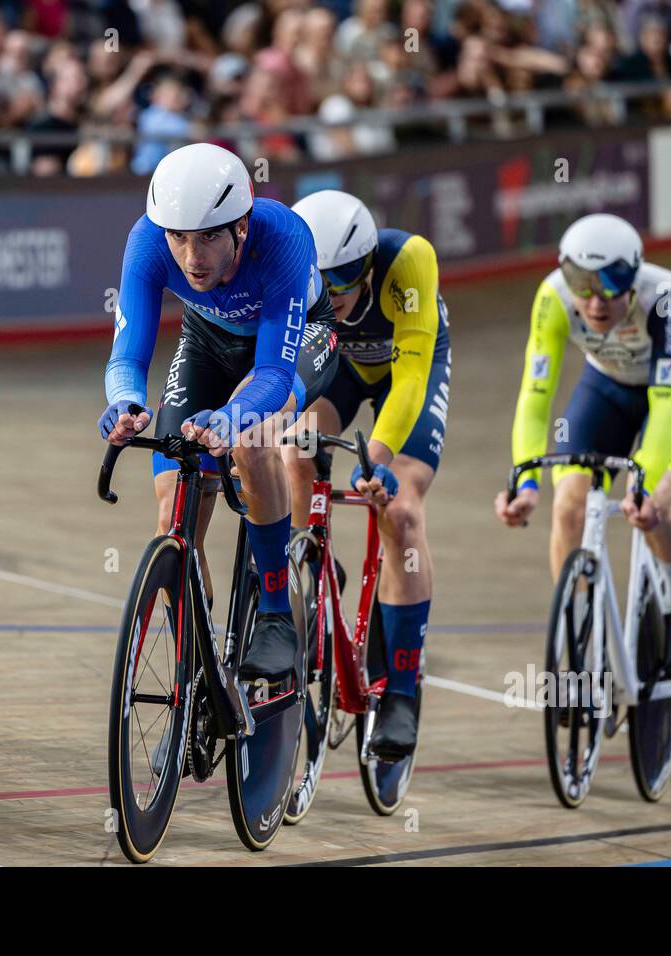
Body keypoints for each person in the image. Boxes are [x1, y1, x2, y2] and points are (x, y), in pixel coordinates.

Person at [99, 143, 338, 685]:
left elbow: (275, 377)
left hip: (297, 341)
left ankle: (276, 613)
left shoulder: (283, 238)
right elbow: (126, 357)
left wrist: (231, 417)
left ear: (242, 228)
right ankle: (197, 688)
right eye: (179, 238)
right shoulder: (146, 242)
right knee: (171, 520)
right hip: (208, 340)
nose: (191, 256)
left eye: (208, 236)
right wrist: (125, 403)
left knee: (251, 442)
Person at [495, 213, 671, 679]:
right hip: (605, 385)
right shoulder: (552, 296)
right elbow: (535, 397)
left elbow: (667, 402)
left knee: (652, 504)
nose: (594, 301)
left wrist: (644, 483)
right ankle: (577, 639)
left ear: (632, 277)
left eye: (610, 284)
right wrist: (525, 480)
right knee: (568, 501)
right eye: (581, 284)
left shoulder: (664, 298)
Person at [281, 190, 450, 760]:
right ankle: (313, 559)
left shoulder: (409, 259)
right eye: (322, 286)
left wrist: (375, 457)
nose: (335, 297)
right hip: (343, 371)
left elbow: (410, 380)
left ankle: (401, 691)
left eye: (346, 284)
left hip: (407, 373)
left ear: (368, 265)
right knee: (294, 450)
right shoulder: (293, 267)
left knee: (400, 511)